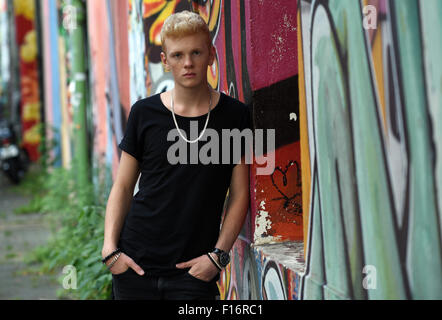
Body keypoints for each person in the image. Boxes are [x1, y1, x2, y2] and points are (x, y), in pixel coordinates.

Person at [101, 10, 251, 300]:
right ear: (165, 60)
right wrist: (110, 249)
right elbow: (122, 186)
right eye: (178, 55)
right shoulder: (144, 113)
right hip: (135, 266)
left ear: (211, 55)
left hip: (193, 274)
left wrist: (218, 256)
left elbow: (240, 194)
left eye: (196, 52)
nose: (188, 63)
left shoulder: (235, 115)